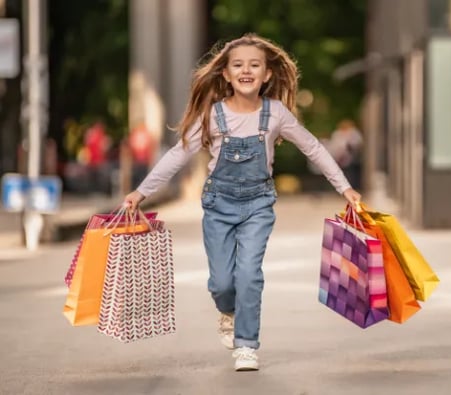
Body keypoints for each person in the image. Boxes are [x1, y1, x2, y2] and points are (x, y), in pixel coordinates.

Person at [123, 33, 361, 372]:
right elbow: (178, 155)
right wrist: (141, 192)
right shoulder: (212, 115)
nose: (246, 70)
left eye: (254, 65)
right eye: (238, 65)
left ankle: (247, 344)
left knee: (249, 274)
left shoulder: (276, 113)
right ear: (225, 74)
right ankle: (228, 311)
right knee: (222, 283)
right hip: (218, 206)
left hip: (258, 206)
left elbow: (313, 147)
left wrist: (345, 188)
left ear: (266, 75)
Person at [327, 119, 363, 189]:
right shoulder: (337, 133)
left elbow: (358, 144)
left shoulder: (354, 133)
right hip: (340, 158)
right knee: (342, 174)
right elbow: (334, 145)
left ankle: (351, 188)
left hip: (351, 159)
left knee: (351, 175)